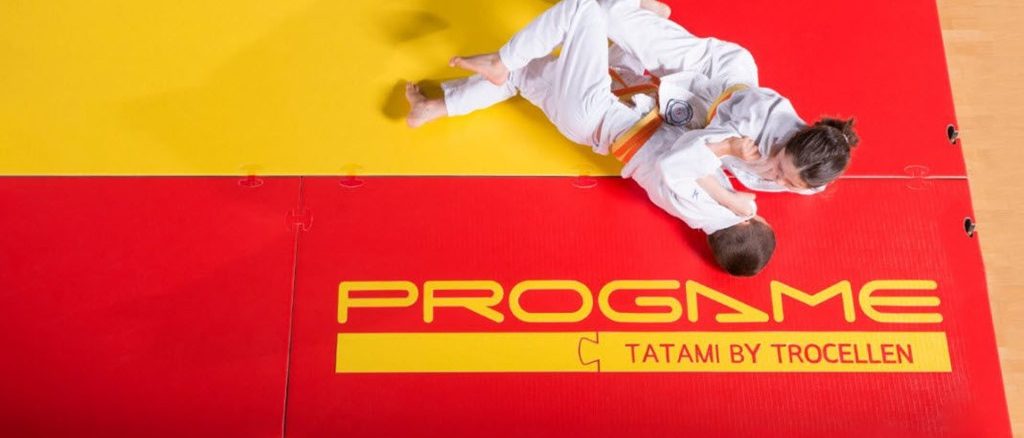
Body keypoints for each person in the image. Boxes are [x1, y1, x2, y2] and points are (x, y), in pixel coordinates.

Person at [405, 0, 775, 276]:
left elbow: (674, 165)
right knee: (522, 74)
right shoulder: (709, 205)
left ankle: (499, 61)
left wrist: (731, 191)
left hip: (598, 111)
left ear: (746, 222)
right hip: (612, 107)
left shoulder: (707, 210)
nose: (754, 204)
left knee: (584, 9)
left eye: (757, 215)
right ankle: (435, 108)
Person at [598, 0, 860, 194]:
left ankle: (651, 16)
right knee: (607, 15)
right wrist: (728, 149)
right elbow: (679, 157)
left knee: (612, 77)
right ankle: (643, 11)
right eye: (781, 169)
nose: (779, 180)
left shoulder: (815, 177)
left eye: (791, 183)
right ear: (792, 137)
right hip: (715, 71)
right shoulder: (758, 117)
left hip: (701, 113)